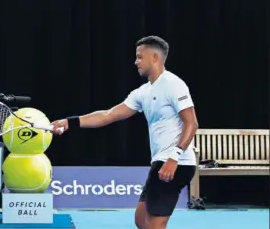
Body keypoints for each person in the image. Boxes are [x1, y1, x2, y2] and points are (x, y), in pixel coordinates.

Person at [50, 36, 199, 229]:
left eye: (139, 57)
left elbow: (192, 123)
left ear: (154, 58)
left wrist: (174, 158)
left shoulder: (173, 84)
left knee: (154, 225)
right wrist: (69, 123)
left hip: (176, 163)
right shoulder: (143, 92)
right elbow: (108, 115)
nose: (135, 62)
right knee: (141, 220)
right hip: (161, 162)